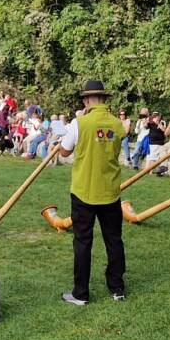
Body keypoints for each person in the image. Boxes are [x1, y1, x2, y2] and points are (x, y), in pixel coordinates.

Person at [58, 80, 126, 305]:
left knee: (83, 242)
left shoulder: (79, 123)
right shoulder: (118, 124)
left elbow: (65, 152)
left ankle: (81, 293)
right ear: (104, 100)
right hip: (110, 190)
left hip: (84, 190)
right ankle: (117, 288)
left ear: (87, 101)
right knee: (114, 240)